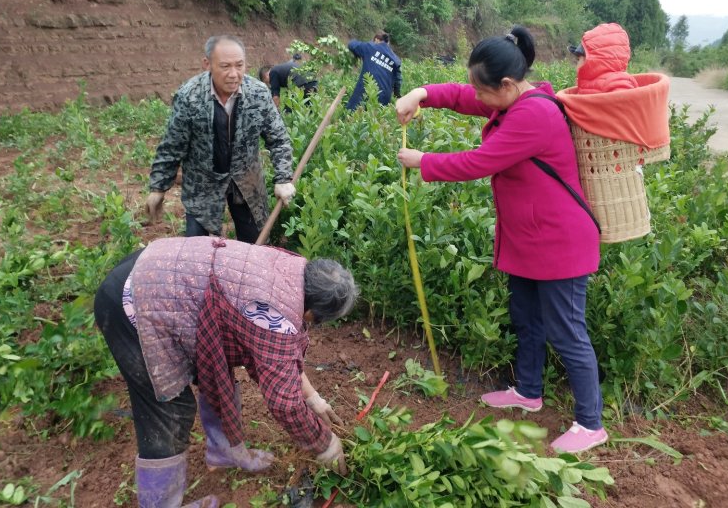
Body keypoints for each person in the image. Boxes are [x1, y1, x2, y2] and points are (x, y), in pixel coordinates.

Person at [395, 26, 607, 454]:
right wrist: (421, 92)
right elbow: (463, 95)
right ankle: (528, 392)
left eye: (483, 89)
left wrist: (423, 162)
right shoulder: (512, 100)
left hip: (559, 244)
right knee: (527, 320)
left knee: (567, 332)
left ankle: (591, 423)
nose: (476, 96)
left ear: (507, 85)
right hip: (530, 239)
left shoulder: (535, 115)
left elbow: (479, 161)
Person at [94, 236, 357, 508]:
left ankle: (223, 451)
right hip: (135, 299)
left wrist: (313, 397)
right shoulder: (276, 313)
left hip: (164, 274)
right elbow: (285, 404)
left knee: (215, 373)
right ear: (313, 314)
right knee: (170, 409)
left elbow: (278, 357)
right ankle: (161, 505)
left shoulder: (293, 269)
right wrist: (324, 444)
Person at [146, 35, 296, 243]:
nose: (234, 74)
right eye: (225, 66)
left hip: (247, 182)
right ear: (207, 64)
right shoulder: (189, 96)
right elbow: (172, 145)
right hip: (202, 185)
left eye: (239, 65)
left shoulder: (259, 94)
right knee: (196, 250)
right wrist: (158, 187)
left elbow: (278, 138)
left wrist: (283, 178)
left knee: (254, 246)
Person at [568, 22, 638, 94]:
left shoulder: (616, 83)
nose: (576, 66)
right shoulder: (589, 83)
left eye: (578, 60)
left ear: (590, 61)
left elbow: (624, 101)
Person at [345, 30, 402, 111]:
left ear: (376, 40)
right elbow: (398, 81)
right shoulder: (396, 59)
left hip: (365, 91)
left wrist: (369, 44)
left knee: (352, 115)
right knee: (375, 120)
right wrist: (397, 95)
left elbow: (352, 44)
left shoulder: (370, 47)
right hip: (384, 97)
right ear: (387, 43)